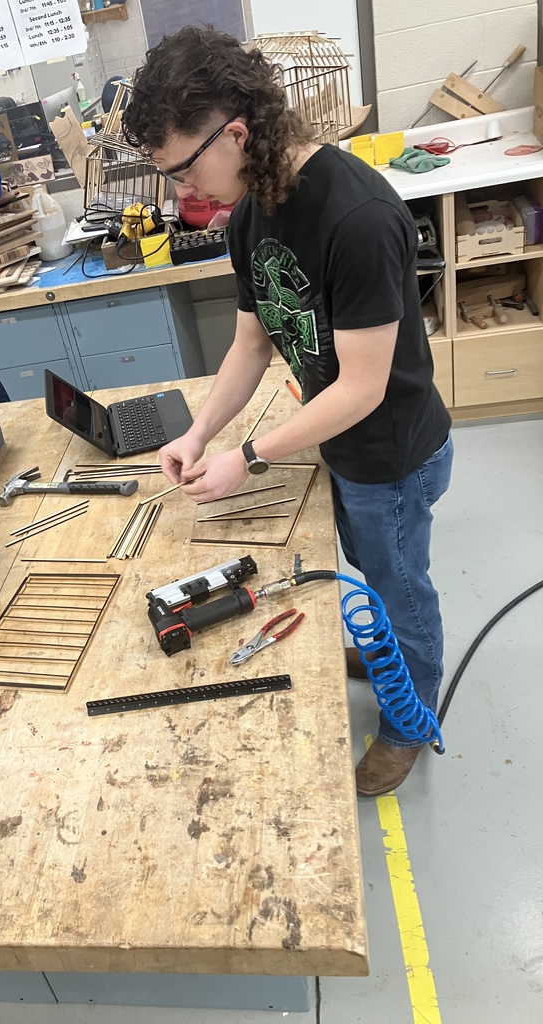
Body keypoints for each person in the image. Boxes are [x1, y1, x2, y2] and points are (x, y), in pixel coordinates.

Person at [122, 26, 453, 796]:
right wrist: (202, 432)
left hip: (392, 453)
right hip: (340, 445)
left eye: (180, 169)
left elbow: (364, 388)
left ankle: (408, 721)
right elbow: (250, 345)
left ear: (235, 133)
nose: (181, 194)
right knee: (370, 571)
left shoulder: (360, 218)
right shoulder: (252, 214)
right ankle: (383, 662)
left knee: (399, 588)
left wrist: (251, 457)